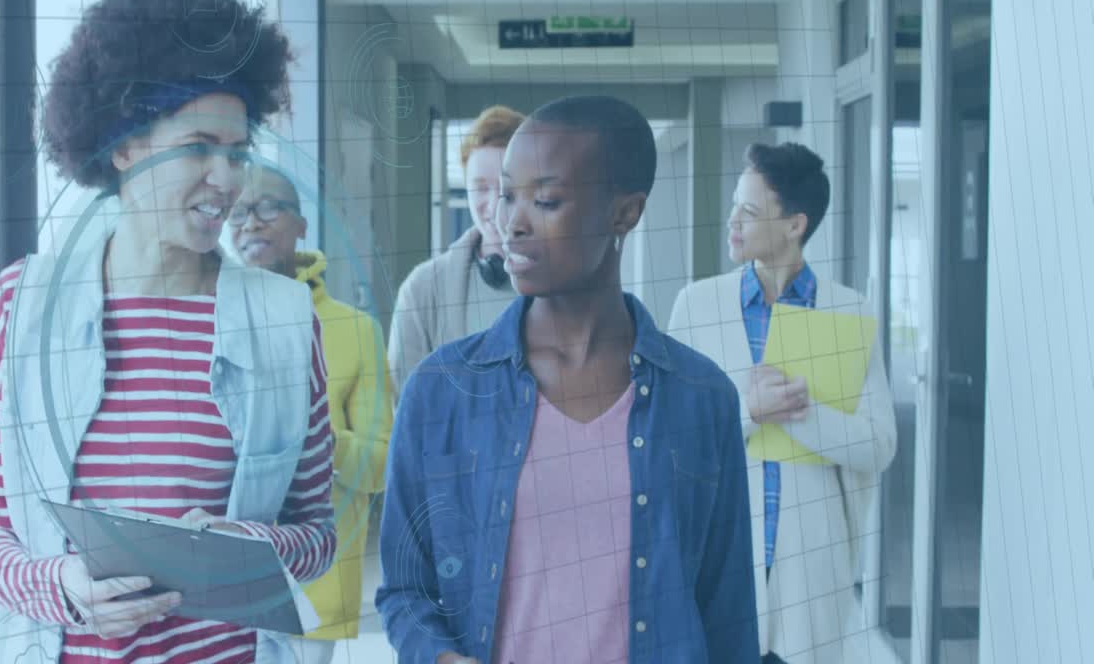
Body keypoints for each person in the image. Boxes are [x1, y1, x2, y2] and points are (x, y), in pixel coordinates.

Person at [0, 0, 335, 664]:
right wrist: (63, 586)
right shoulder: (22, 303)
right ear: (124, 146)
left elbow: (316, 533)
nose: (226, 179)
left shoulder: (283, 319)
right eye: (197, 147)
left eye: (237, 152)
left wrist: (256, 548)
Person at [376, 96, 759, 664]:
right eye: (507, 195)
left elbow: (727, 615)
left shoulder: (702, 398)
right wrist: (439, 656)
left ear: (624, 213)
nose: (512, 223)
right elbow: (404, 589)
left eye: (546, 200)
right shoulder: (441, 391)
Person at [667, 143, 897, 663]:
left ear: (796, 224)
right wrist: (749, 411)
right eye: (734, 206)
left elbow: (879, 445)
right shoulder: (697, 307)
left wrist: (801, 411)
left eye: (749, 212)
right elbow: (669, 434)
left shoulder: (847, 313)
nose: (733, 222)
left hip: (810, 570)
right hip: (718, 561)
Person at [229, 164, 395, 664]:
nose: (251, 222)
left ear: (302, 225)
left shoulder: (356, 330)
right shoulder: (208, 318)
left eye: (269, 208)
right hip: (216, 584)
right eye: (238, 212)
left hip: (312, 593)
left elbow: (382, 465)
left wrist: (316, 429)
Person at [387, 105, 525, 394]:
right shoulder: (423, 288)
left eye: (505, 188)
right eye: (479, 188)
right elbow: (405, 404)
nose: (493, 205)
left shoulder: (567, 283)